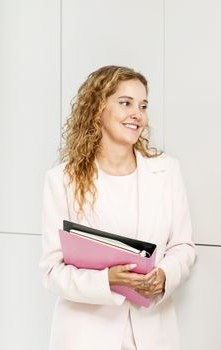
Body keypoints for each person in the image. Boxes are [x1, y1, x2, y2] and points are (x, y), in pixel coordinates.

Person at [40, 65, 195, 350]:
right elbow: (53, 271)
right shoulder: (63, 179)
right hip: (85, 336)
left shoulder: (167, 170)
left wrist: (163, 276)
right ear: (98, 109)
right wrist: (106, 280)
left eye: (143, 105)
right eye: (125, 103)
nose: (138, 114)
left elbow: (183, 247)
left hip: (152, 332)